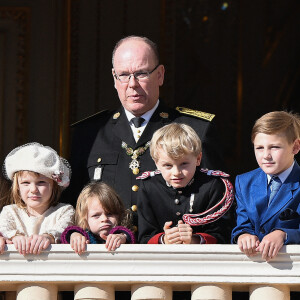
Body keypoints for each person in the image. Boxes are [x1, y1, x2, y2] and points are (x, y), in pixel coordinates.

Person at [64, 35, 224, 231]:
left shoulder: (196, 130)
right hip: (106, 254)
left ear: (160, 75)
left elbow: (218, 203)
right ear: (114, 78)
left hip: (169, 252)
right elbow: (72, 204)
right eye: (123, 75)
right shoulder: (89, 133)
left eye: (141, 73)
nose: (132, 84)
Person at [137, 123, 234, 244]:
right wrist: (164, 240)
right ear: (156, 163)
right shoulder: (149, 186)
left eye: (184, 164)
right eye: (168, 165)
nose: (176, 172)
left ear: (198, 159)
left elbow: (222, 234)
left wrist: (194, 239)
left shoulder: (212, 185)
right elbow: (144, 236)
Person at [231, 111, 300, 261]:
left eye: (274, 147)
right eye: (259, 148)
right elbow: (242, 223)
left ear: (295, 147)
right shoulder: (244, 182)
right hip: (253, 265)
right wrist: (243, 235)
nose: (266, 155)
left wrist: (283, 234)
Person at [0, 143, 75, 255]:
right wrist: (15, 237)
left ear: (54, 185)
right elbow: (4, 228)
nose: (33, 189)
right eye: (25, 183)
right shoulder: (10, 211)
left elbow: (62, 231)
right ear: (17, 187)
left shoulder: (64, 211)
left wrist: (48, 237)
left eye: (41, 182)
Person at [61, 182, 135, 253]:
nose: (104, 219)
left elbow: (128, 236)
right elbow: (67, 235)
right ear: (85, 219)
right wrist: (74, 236)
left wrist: (121, 238)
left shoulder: (122, 235)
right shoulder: (84, 236)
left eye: (109, 214)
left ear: (119, 215)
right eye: (96, 215)